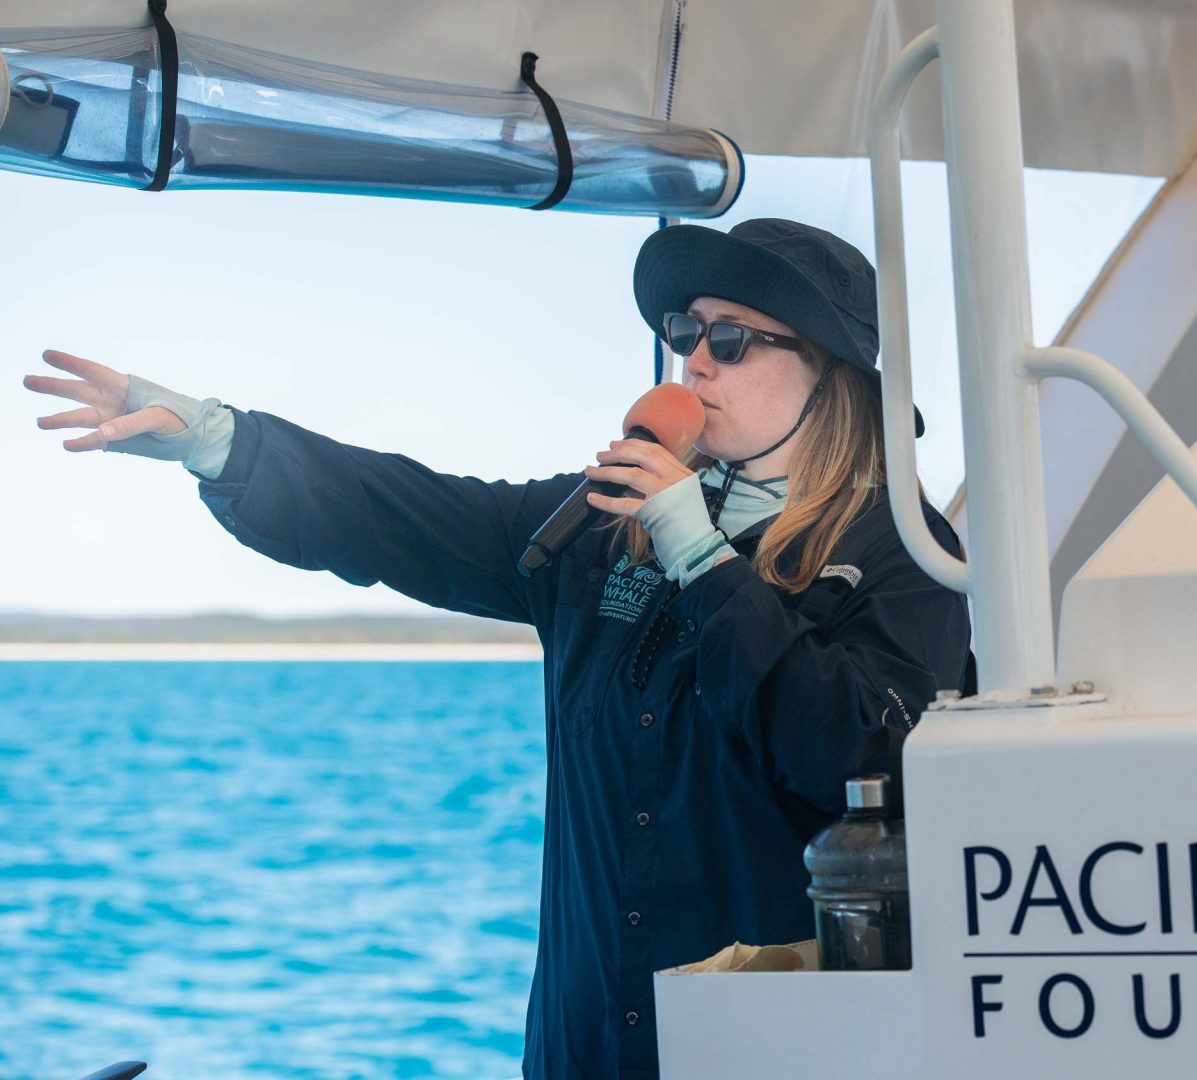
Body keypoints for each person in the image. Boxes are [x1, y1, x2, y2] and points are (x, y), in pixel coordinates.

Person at [24, 218, 973, 1079]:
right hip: (587, 1041)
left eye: (730, 341)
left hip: (778, 1051)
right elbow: (404, 514)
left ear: (829, 373)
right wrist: (219, 442)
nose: (694, 367)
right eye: (685, 335)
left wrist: (702, 553)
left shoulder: (904, 553)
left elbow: (856, 755)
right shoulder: (602, 529)